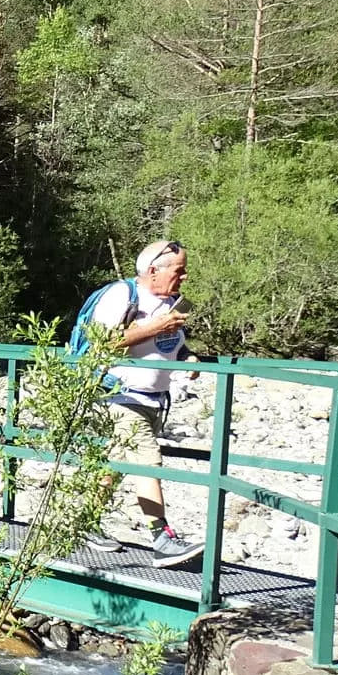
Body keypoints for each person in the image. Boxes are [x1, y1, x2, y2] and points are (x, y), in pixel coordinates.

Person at [85, 239, 204, 563]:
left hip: (153, 399)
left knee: (115, 462)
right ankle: (161, 538)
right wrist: (155, 326)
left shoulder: (173, 303)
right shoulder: (121, 296)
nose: (184, 277)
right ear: (154, 271)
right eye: (179, 271)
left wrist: (187, 358)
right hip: (120, 396)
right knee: (145, 460)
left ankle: (82, 522)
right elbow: (103, 344)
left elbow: (169, 344)